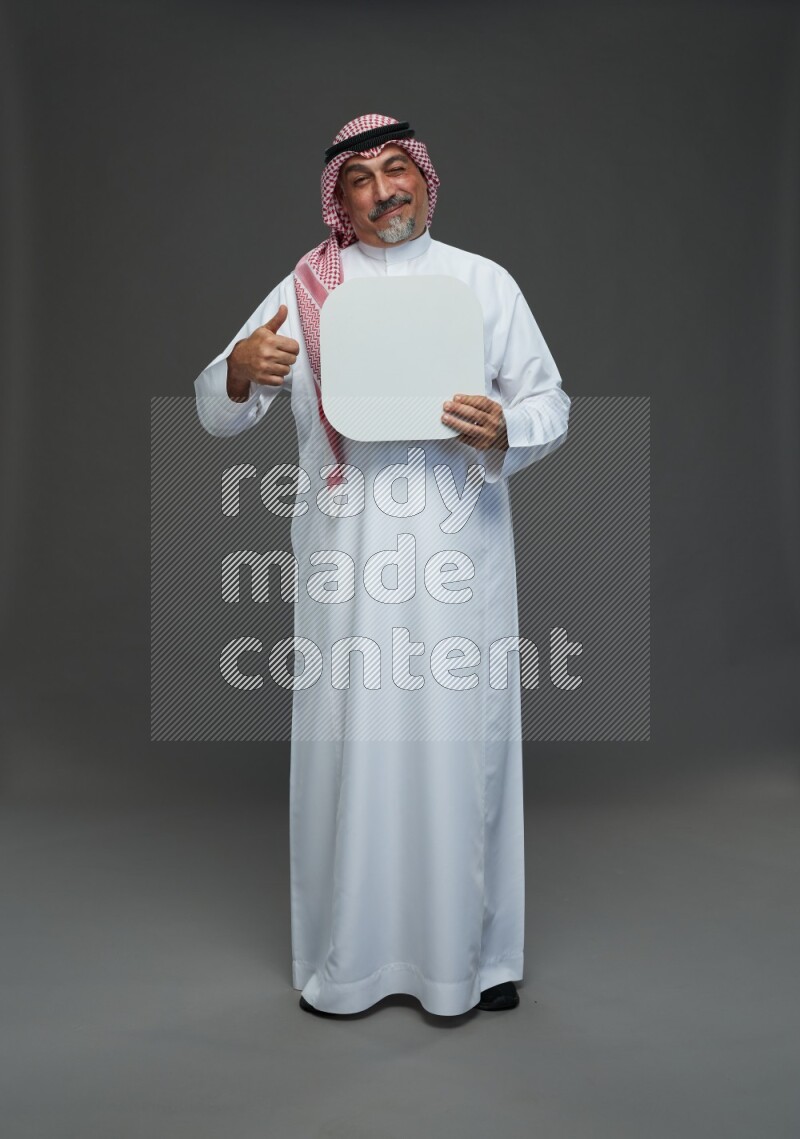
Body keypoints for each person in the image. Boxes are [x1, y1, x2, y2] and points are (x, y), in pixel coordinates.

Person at [194, 114, 570, 1017]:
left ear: (426, 180)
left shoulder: (483, 282)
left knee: (460, 745)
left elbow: (551, 401)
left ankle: (475, 960)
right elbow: (220, 404)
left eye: (396, 169)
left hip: (456, 553)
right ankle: (348, 958)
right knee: (349, 743)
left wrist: (507, 427)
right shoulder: (308, 284)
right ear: (340, 197)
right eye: (359, 178)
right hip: (346, 556)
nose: (382, 191)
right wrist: (243, 369)